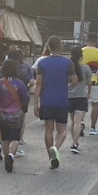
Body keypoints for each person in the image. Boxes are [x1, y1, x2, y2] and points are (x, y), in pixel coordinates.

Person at [32, 36, 73, 169]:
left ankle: (51, 158)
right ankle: (56, 147)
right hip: (62, 101)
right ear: (60, 46)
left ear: (48, 47)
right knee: (62, 131)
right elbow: (74, 80)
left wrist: (36, 103)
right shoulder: (67, 63)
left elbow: (38, 84)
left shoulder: (42, 63)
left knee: (48, 130)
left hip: (47, 101)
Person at [0, 59, 30, 173]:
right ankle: (11, 155)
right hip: (16, 115)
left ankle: (6, 156)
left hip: (2, 115)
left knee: (5, 138)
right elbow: (25, 98)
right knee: (15, 138)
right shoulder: (20, 83)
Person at [67, 46, 92, 154]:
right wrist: (89, 93)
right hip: (81, 97)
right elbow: (89, 83)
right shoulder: (86, 68)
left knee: (72, 121)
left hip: (69, 97)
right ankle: (74, 143)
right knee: (78, 122)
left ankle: (74, 141)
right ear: (81, 56)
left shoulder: (67, 69)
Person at [81, 37, 98, 137]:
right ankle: (92, 127)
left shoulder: (81, 51)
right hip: (95, 81)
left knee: (81, 104)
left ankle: (80, 123)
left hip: (82, 82)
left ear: (86, 41)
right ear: (96, 42)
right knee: (95, 105)